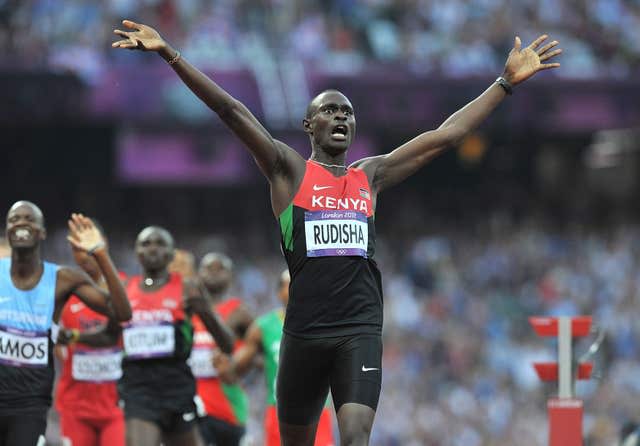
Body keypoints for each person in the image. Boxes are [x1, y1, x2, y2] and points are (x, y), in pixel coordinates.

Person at [112, 21, 562, 445]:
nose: (342, 117)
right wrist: (170, 54)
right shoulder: (288, 171)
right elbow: (231, 111)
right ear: (310, 126)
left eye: (348, 112)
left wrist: (502, 84)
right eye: (329, 110)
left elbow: (445, 136)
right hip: (304, 334)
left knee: (354, 436)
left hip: (359, 329)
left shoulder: (371, 176)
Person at [0, 201, 131, 445]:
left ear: (42, 232)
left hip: (29, 407)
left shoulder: (64, 280)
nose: (21, 223)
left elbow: (122, 312)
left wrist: (100, 254)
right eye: (14, 219)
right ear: (7, 231)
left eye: (29, 219)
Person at [118, 226, 235, 446]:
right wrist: (75, 336)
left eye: (160, 243)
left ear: (172, 255)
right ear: (137, 253)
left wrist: (205, 310)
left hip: (177, 388)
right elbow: (108, 336)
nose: (153, 248)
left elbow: (227, 344)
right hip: (138, 389)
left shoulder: (187, 289)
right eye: (146, 243)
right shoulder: (125, 289)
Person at [214, 270, 335, 446]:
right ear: (279, 292)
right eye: (289, 283)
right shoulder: (263, 327)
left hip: (317, 411)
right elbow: (237, 368)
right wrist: (227, 367)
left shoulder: (326, 324)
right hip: (278, 412)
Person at [55, 219, 126, 446]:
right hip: (76, 405)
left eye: (87, 247)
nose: (83, 255)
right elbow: (55, 338)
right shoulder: (66, 289)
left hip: (118, 404)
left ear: (102, 243)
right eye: (76, 249)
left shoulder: (124, 290)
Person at [189, 253, 252, 446]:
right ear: (198, 274)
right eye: (208, 268)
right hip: (191, 405)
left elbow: (260, 356)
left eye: (220, 269)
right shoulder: (187, 310)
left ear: (230, 276)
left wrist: (237, 371)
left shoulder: (241, 313)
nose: (213, 273)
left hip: (228, 408)